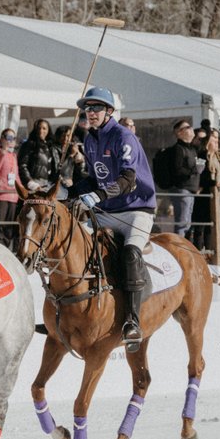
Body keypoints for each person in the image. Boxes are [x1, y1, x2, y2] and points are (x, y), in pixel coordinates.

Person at [67, 86, 156, 351]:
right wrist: (68, 190)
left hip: (136, 208)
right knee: (72, 242)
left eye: (96, 108)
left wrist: (98, 195)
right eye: (87, 108)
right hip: (107, 210)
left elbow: (128, 180)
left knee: (130, 252)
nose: (90, 113)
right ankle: (65, 311)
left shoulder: (123, 136)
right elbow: (95, 178)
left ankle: (132, 320)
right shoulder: (90, 139)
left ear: (109, 111)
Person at [154, 120, 201, 239]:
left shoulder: (191, 149)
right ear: (179, 133)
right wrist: (194, 170)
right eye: (188, 127)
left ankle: (182, 248)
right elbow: (177, 170)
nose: (191, 129)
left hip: (190, 189)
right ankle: (178, 249)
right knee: (182, 223)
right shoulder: (178, 149)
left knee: (187, 223)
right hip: (181, 189)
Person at [17, 118, 62, 187]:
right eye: (39, 128)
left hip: (48, 184)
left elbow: (56, 166)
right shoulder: (29, 145)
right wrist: (29, 181)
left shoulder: (51, 147)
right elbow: (22, 165)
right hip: (34, 183)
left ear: (48, 130)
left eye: (44, 128)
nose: (41, 131)